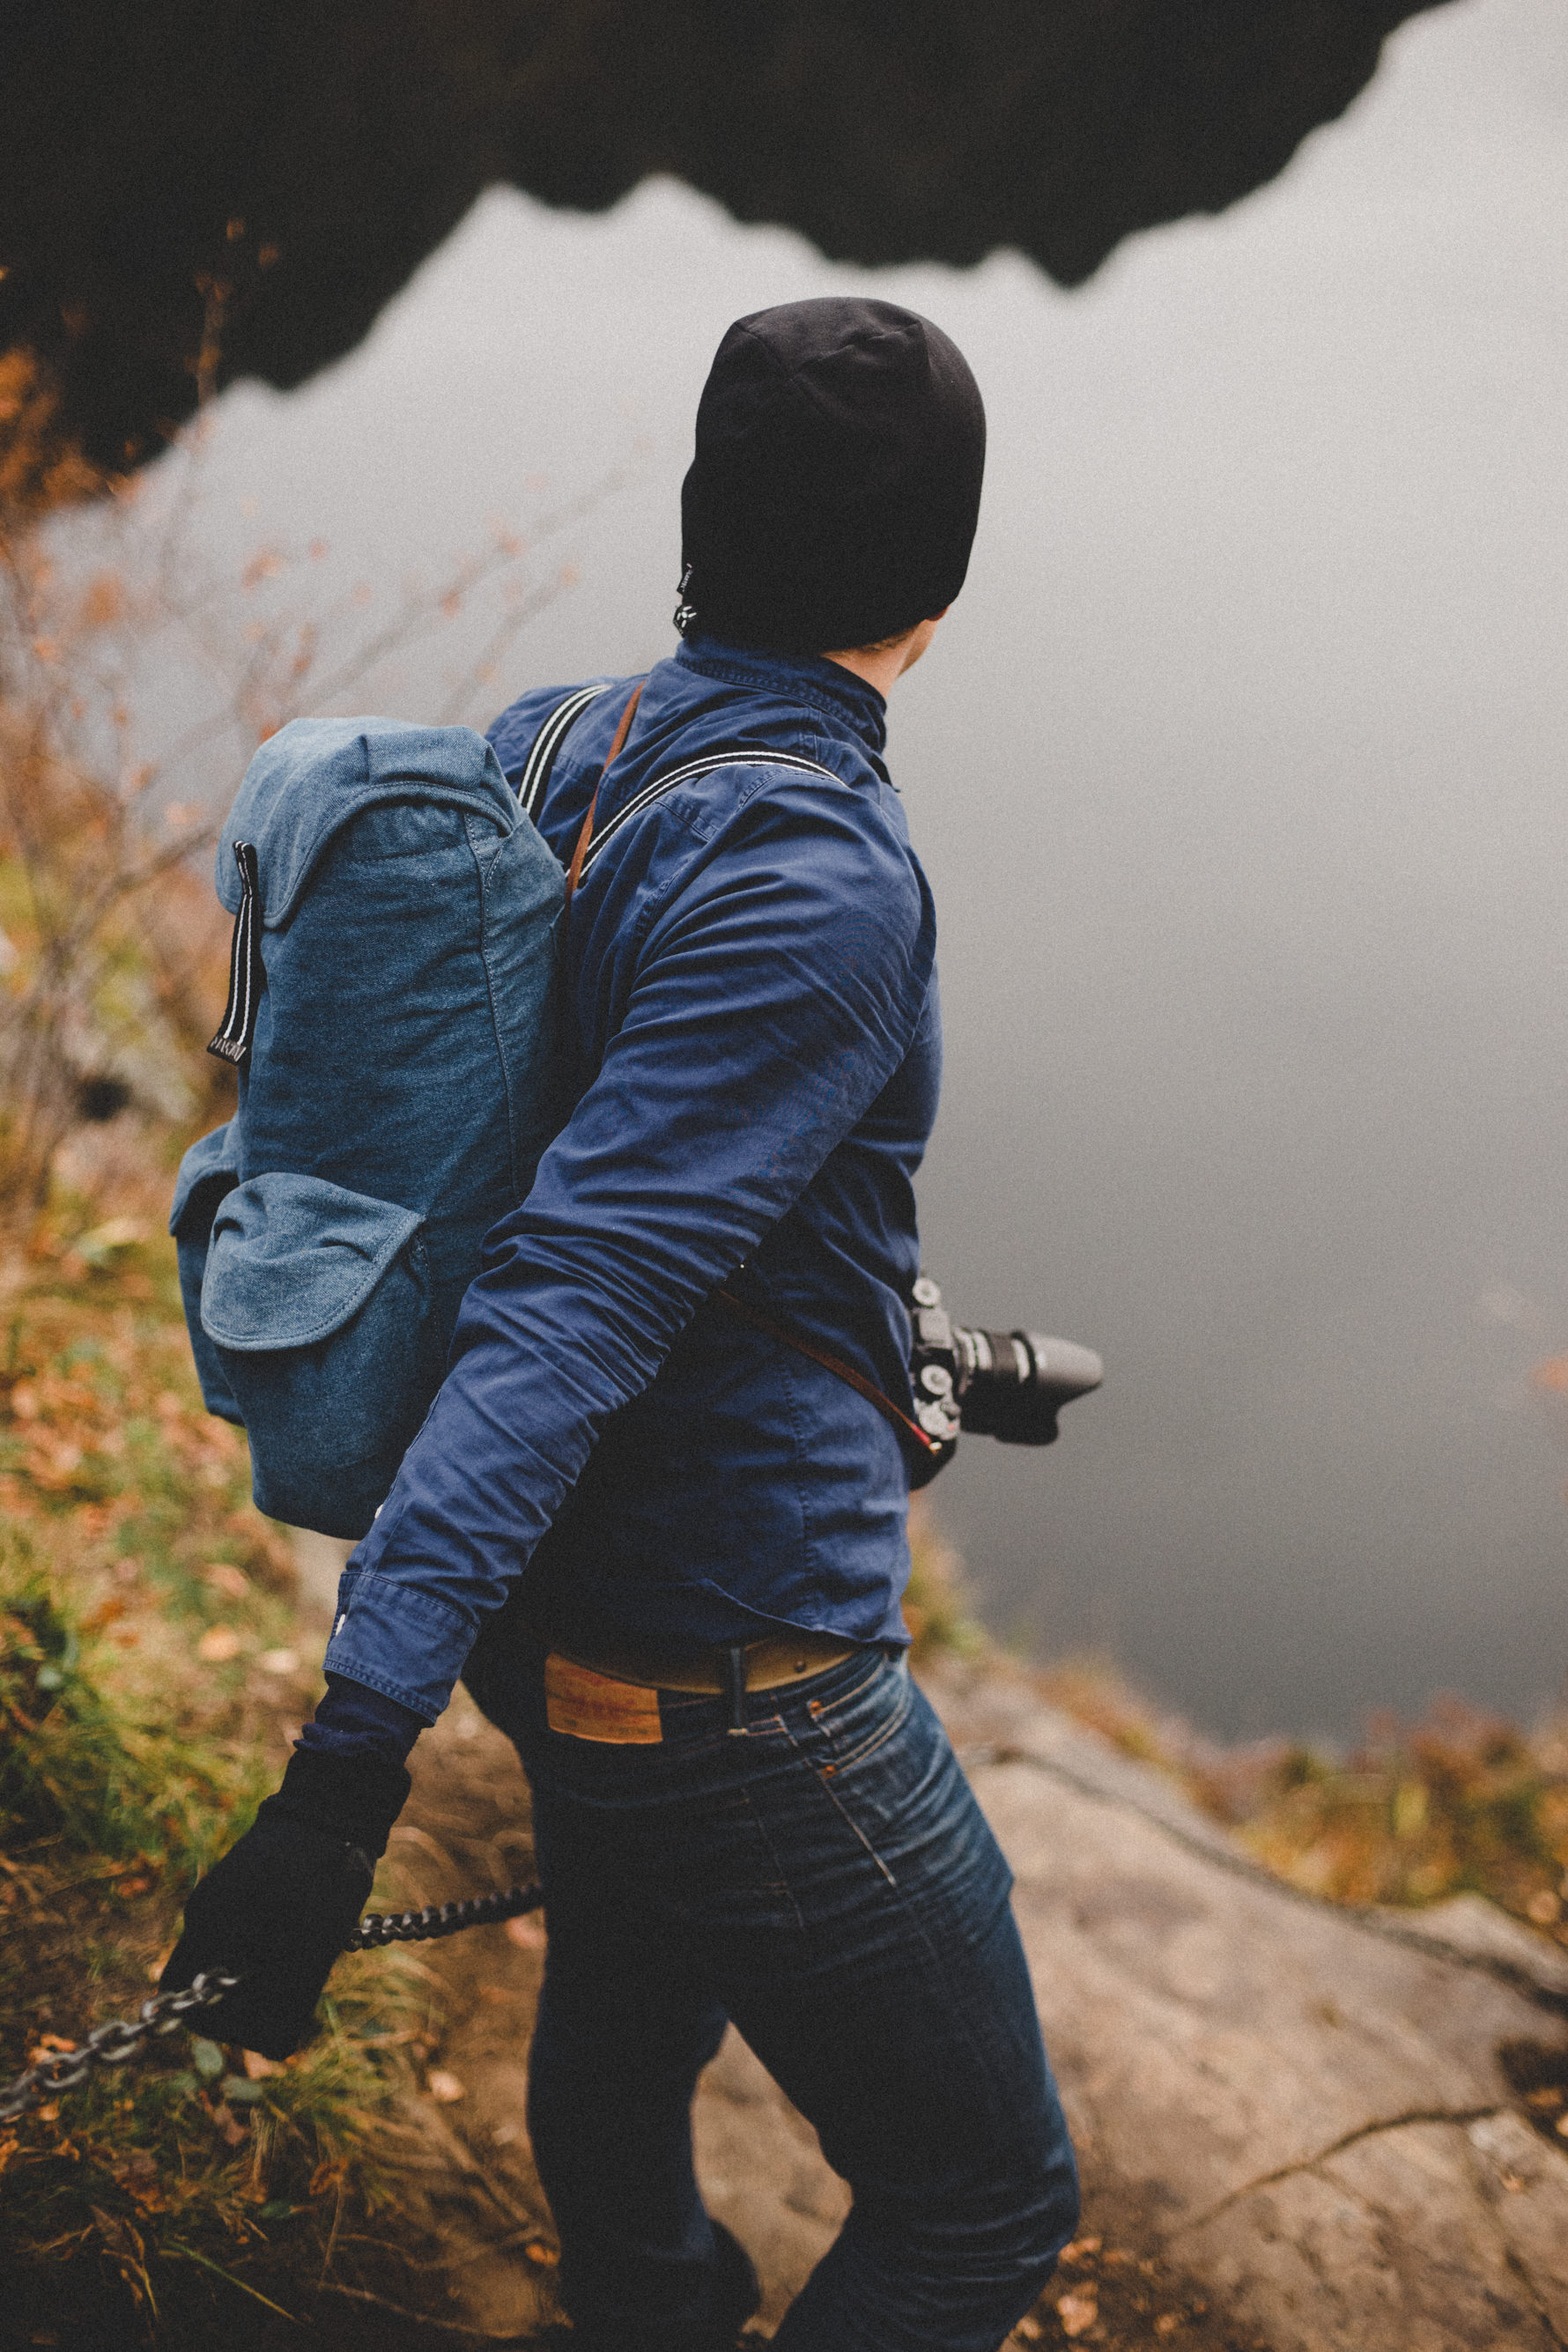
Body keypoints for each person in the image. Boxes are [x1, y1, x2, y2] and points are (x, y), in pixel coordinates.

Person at [164, 296, 1081, 2351]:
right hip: (738, 1673)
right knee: (981, 2203)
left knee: (633, 1996)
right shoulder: (813, 877)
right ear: (938, 575)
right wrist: (339, 1780)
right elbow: (565, 1306)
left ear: (699, 519)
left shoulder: (546, 744)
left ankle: (646, 2304)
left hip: (548, 1626)